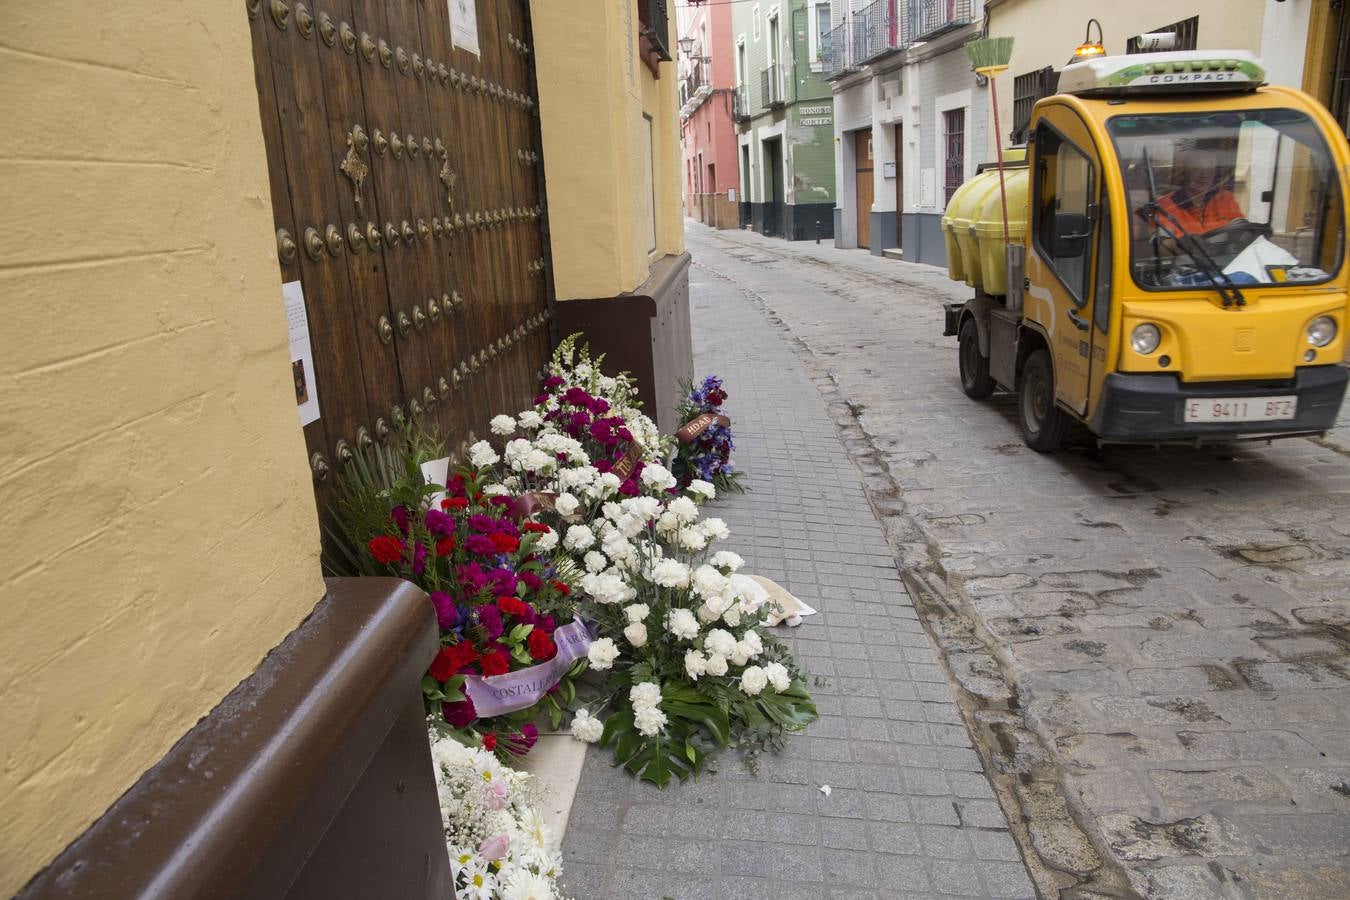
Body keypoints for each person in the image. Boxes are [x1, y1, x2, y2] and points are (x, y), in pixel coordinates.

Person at [1148, 146, 1247, 238]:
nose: (1204, 175)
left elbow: (1243, 231)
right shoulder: (1164, 206)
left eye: (1209, 170)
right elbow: (1162, 246)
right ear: (1185, 172)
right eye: (1197, 169)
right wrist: (1182, 245)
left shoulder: (1225, 199)